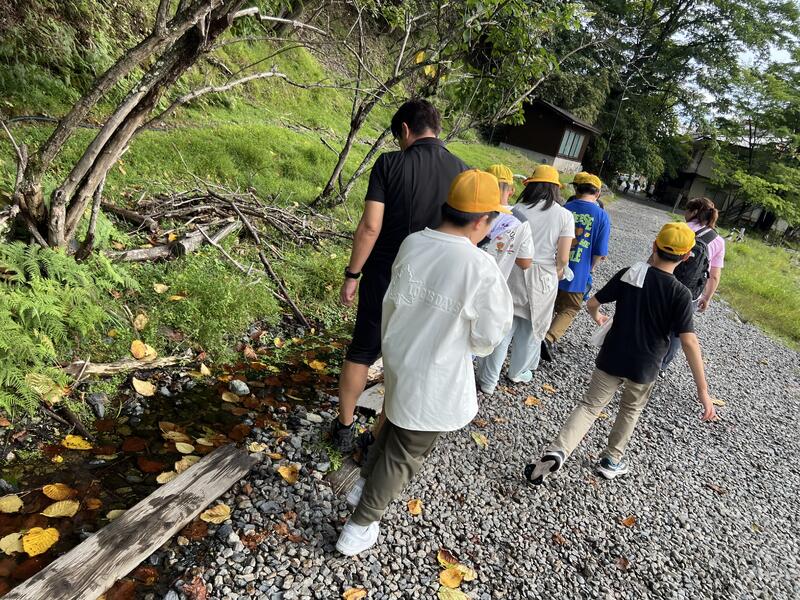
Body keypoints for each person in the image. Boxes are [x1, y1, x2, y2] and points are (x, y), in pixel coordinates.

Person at [336, 170, 514, 556]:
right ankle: (359, 525)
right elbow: (489, 335)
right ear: (482, 221)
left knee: (392, 424)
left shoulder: (414, 242)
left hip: (400, 357)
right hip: (437, 372)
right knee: (406, 451)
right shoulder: (481, 267)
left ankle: (363, 485)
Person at [524, 222, 717, 485]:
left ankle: (559, 450)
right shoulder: (680, 294)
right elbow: (689, 342)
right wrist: (703, 391)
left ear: (654, 246)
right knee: (630, 410)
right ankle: (611, 460)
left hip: (613, 354)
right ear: (686, 257)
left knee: (590, 406)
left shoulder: (630, 274)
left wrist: (597, 317)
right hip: (645, 366)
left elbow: (593, 302)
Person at [332, 99, 468, 453]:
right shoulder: (463, 172)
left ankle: (344, 428)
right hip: (434, 283)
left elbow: (370, 226)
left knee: (362, 350)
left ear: (405, 130)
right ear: (436, 128)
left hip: (384, 274)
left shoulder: (390, 163)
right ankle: (379, 436)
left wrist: (352, 274)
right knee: (408, 358)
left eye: (398, 136)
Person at [476, 165, 573, 394]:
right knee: (531, 330)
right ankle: (517, 372)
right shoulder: (564, 215)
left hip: (514, 270)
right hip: (543, 277)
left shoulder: (518, 209)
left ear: (530, 185)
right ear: (555, 189)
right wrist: (560, 272)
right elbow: (563, 257)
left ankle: (488, 380)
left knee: (504, 326)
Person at [541, 172, 610, 361]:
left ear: (576, 189)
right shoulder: (602, 216)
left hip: (552, 265)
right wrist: (591, 268)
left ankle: (535, 333)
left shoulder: (564, 208)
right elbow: (600, 252)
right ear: (597, 193)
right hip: (578, 271)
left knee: (548, 302)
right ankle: (549, 338)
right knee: (570, 307)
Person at [661, 197, 725, 371]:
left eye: (687, 210)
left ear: (694, 212)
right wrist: (707, 297)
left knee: (655, 318)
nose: (685, 213)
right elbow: (714, 275)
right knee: (678, 330)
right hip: (690, 293)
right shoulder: (718, 241)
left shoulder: (679, 228)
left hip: (665, 282)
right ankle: (662, 365)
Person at [479, 164, 533, 279]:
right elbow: (525, 262)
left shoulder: (472, 209)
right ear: (512, 190)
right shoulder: (520, 221)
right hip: (495, 283)